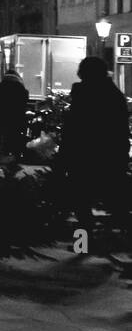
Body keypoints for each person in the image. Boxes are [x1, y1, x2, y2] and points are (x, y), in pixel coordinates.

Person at [57, 57, 130, 243]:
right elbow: (120, 132)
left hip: (83, 157)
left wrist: (64, 156)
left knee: (81, 203)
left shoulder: (83, 95)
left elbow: (73, 129)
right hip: (110, 157)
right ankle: (122, 240)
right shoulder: (115, 95)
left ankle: (82, 245)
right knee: (115, 202)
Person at [0, 70, 30, 158]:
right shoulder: (20, 87)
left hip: (3, 116)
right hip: (17, 116)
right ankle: (16, 154)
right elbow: (25, 99)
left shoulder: (0, 86)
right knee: (15, 134)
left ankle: (5, 152)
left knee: (5, 134)